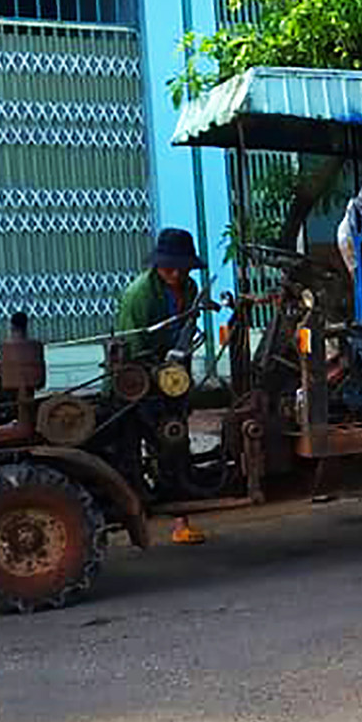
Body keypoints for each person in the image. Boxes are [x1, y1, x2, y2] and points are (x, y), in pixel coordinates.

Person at [116, 227, 208, 546]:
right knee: (135, 445)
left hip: (174, 377)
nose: (175, 273)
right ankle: (137, 512)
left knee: (176, 441)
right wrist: (155, 374)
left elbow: (187, 333)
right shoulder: (139, 295)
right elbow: (132, 345)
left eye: (181, 268)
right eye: (169, 267)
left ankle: (181, 520)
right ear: (158, 265)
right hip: (139, 379)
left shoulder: (190, 287)